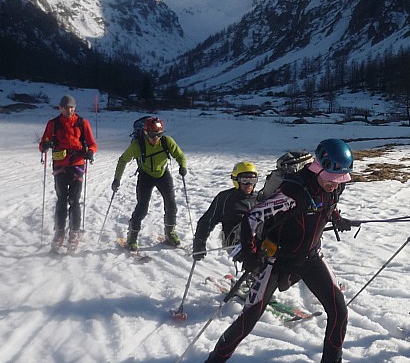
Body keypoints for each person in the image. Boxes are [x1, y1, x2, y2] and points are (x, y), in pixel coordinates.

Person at [186, 139, 356, 363]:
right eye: (331, 176)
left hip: (310, 257)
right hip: (276, 261)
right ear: (318, 167)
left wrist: (337, 218)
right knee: (249, 318)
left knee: (339, 310)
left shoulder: (332, 187)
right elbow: (253, 218)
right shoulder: (293, 192)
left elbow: (326, 205)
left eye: (340, 178)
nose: (335, 182)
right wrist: (252, 252)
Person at [111, 117, 188, 251]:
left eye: (159, 134)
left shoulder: (167, 142)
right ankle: (132, 236)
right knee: (142, 208)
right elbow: (123, 160)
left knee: (171, 204)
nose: (155, 138)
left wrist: (183, 166)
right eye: (152, 134)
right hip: (146, 175)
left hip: (163, 174)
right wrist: (117, 179)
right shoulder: (138, 144)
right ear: (146, 132)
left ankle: (170, 233)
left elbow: (180, 155)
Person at [39, 94, 98, 250]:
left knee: (74, 200)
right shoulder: (53, 124)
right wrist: (44, 147)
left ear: (75, 108)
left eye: (71, 107)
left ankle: (74, 231)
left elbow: (92, 144)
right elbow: (43, 143)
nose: (69, 110)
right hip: (60, 166)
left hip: (77, 165)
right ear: (61, 108)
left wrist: (90, 151)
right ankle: (59, 232)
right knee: (61, 200)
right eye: (66, 107)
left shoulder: (82, 123)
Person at [191, 161, 259, 262]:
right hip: (234, 241)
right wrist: (199, 243)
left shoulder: (260, 198)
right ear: (236, 180)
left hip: (257, 239)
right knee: (248, 221)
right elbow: (207, 221)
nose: (249, 184)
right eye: (244, 180)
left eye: (252, 180)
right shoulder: (225, 198)